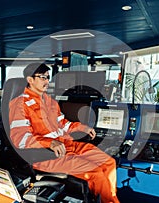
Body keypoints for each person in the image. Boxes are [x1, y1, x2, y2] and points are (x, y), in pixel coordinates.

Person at [9, 62, 120, 203]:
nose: (47, 81)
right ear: (30, 80)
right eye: (43, 77)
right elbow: (21, 139)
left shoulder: (50, 102)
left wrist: (82, 127)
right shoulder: (19, 104)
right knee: (96, 173)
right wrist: (50, 142)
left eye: (48, 77)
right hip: (45, 155)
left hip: (66, 145)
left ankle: (111, 198)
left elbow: (63, 124)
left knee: (109, 162)